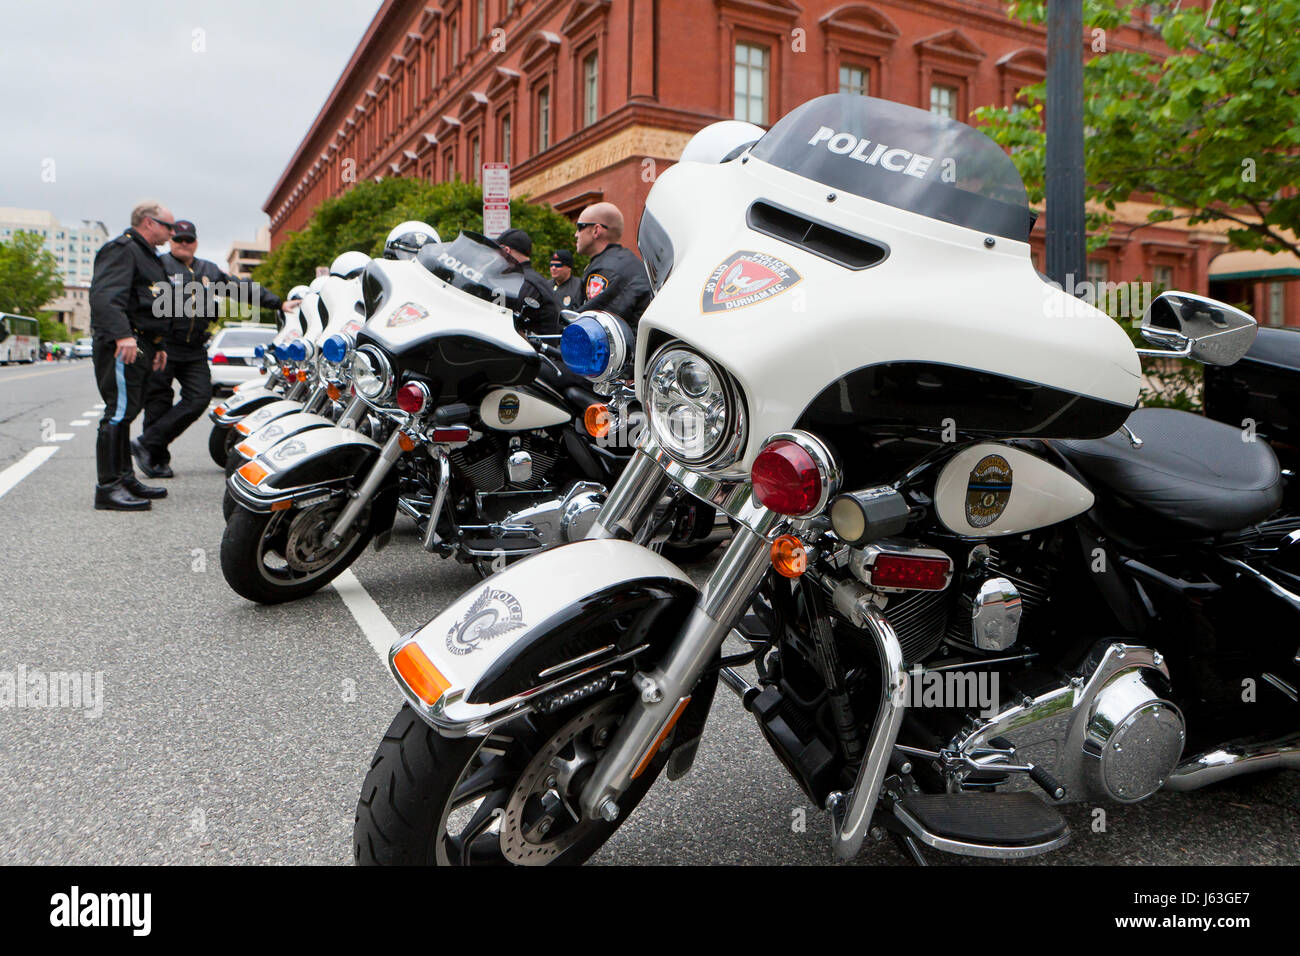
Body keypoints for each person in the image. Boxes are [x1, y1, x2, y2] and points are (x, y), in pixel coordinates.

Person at [132, 220, 285, 479]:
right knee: (158, 401)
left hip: (194, 348)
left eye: (188, 239)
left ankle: (147, 442)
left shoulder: (208, 270)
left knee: (200, 398)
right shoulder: (158, 265)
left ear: (195, 242)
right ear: (171, 241)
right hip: (165, 344)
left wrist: (279, 303)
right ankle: (156, 459)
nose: (183, 244)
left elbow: (239, 287)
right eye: (178, 239)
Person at [88, 201, 174, 511]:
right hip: (125, 343)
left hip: (142, 343)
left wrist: (159, 343)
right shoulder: (122, 249)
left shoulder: (150, 256)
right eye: (168, 226)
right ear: (149, 223)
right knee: (118, 411)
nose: (172, 232)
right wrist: (123, 335)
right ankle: (108, 487)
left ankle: (124, 478)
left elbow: (151, 305)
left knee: (128, 411)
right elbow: (106, 297)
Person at [573, 201, 653, 329]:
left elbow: (592, 323)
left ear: (596, 230)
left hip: (625, 347)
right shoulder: (622, 261)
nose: (576, 234)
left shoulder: (605, 270)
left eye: (580, 227)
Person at [495, 228, 560, 336]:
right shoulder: (531, 279)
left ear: (506, 251)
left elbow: (504, 323)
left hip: (530, 350)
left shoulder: (523, 283)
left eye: (498, 251)